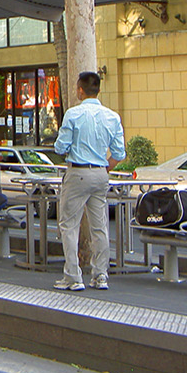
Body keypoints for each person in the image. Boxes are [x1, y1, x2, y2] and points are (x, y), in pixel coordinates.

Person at [52, 71, 125, 291]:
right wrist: (104, 167)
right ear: (98, 90)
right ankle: (100, 275)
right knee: (99, 226)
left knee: (69, 225)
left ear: (80, 90)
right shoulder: (112, 116)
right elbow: (119, 153)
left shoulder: (73, 114)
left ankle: (73, 277)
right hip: (101, 174)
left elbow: (60, 147)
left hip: (78, 172)